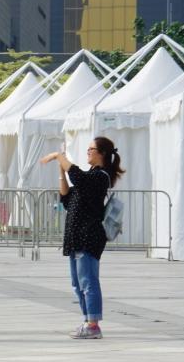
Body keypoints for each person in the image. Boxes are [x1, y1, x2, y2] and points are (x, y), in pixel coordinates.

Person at [41, 137, 125, 339]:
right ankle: (88, 321)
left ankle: (93, 325)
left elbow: (78, 176)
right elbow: (66, 198)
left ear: (102, 153)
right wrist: (61, 170)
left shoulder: (100, 177)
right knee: (77, 284)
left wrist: (59, 156)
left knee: (88, 281)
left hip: (88, 236)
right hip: (76, 237)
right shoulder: (89, 177)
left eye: (91, 149)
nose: (88, 152)